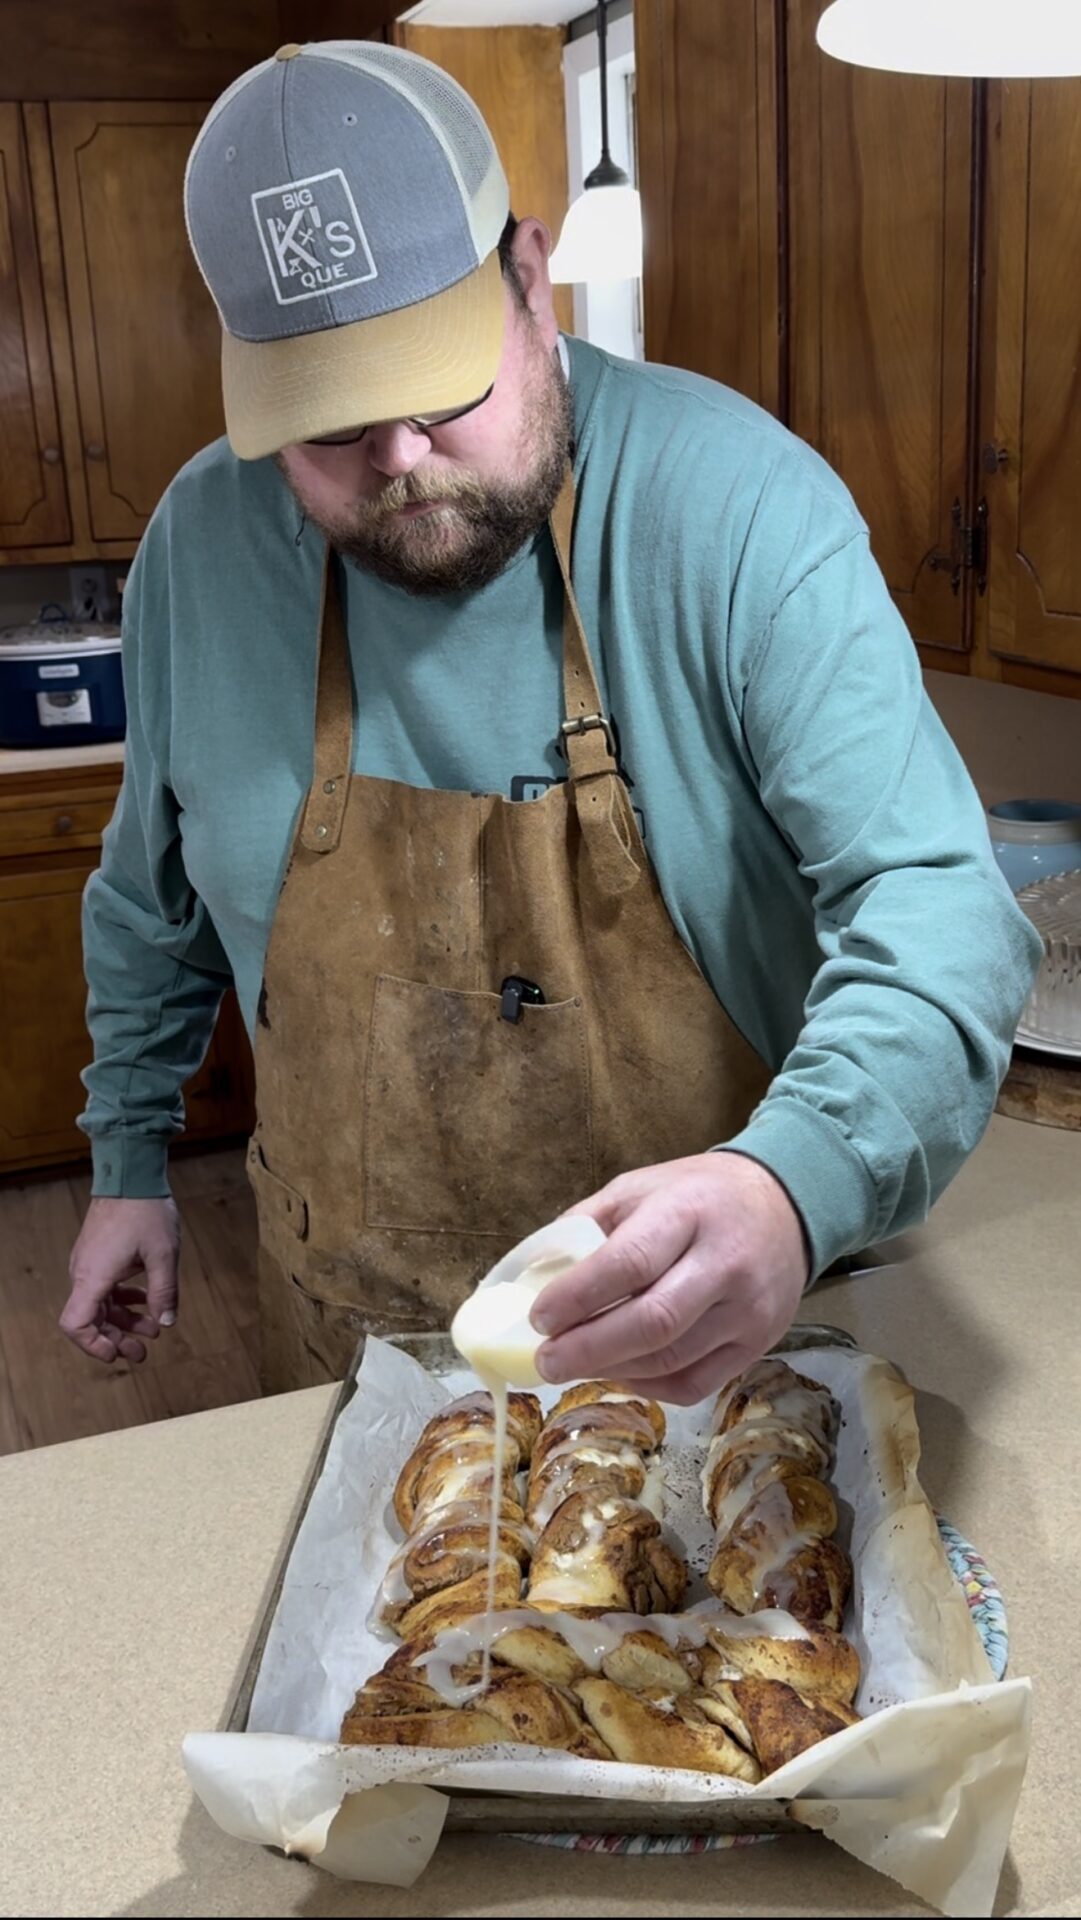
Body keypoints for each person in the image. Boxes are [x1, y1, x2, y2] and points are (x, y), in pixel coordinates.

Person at [61, 41, 1039, 1404]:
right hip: (354, 1342)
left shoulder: (737, 510)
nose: (396, 460)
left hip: (719, 1352)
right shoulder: (200, 548)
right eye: (329, 421)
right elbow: (149, 898)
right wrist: (128, 1157)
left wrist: (791, 1184)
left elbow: (938, 909)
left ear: (529, 274)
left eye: (438, 386)